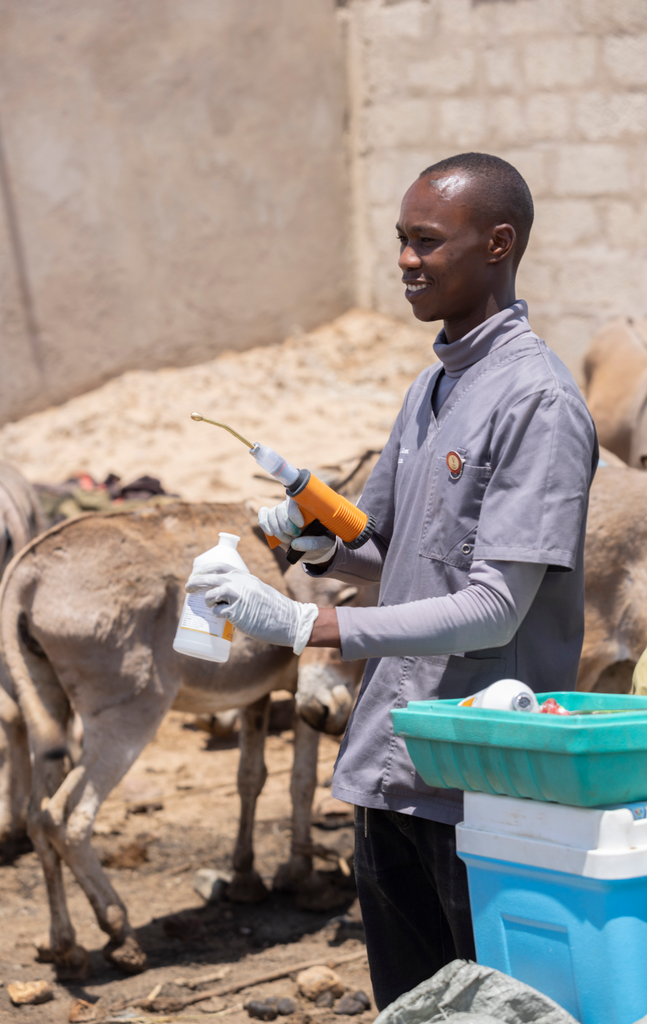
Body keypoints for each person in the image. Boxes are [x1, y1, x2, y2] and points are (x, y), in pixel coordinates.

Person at [187, 152, 598, 1010]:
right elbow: (392, 550)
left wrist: (310, 628)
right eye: (400, 240)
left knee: (492, 1008)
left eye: (426, 242)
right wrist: (311, 546)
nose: (405, 261)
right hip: (391, 767)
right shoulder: (432, 385)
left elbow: (493, 609)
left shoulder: (539, 403)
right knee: (408, 1007)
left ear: (498, 244)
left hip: (485, 788)